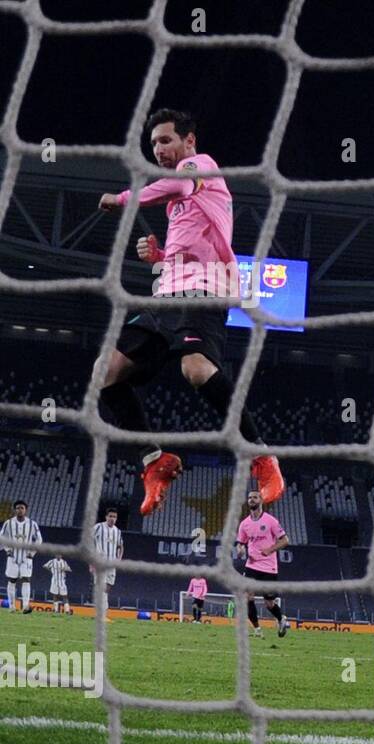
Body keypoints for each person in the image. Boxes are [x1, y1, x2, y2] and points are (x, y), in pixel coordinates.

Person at [95, 108, 282, 516]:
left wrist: (124, 199)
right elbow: (191, 244)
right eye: (154, 144)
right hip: (167, 293)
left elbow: (177, 185)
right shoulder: (180, 200)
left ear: (189, 141)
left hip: (207, 288)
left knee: (195, 370)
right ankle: (153, 461)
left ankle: (262, 458)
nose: (159, 149)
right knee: (106, 373)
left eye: (165, 140)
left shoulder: (202, 168)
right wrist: (158, 255)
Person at [235, 490, 290, 638]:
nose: (251, 500)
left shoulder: (271, 521)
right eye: (249, 498)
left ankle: (281, 619)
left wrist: (270, 549)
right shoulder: (244, 524)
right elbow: (240, 543)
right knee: (247, 596)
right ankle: (257, 630)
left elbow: (285, 540)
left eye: (255, 497)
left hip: (269, 568)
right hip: (251, 566)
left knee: (269, 603)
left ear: (261, 500)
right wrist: (240, 550)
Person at [1, 499, 42, 613]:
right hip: (12, 557)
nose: (20, 510)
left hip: (26, 558)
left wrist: (32, 553)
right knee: (12, 580)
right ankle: (12, 606)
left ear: (26, 510)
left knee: (26, 579)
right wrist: (7, 550)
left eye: (22, 508)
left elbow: (39, 539)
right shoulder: (8, 523)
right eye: (18, 508)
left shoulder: (32, 524)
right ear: (15, 510)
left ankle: (25, 606)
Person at [90, 507, 124, 603]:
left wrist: (119, 559)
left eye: (115, 517)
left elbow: (120, 546)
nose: (112, 519)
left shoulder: (117, 531)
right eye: (110, 516)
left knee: (108, 586)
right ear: (106, 517)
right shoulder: (98, 527)